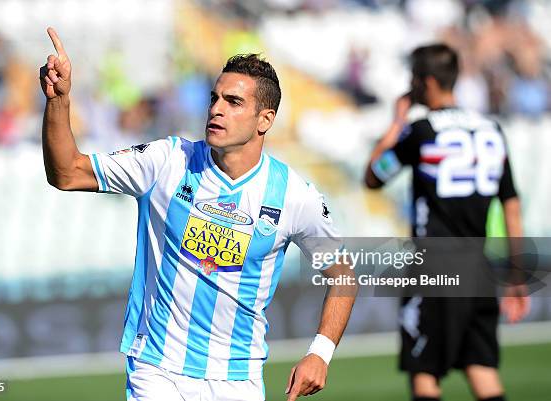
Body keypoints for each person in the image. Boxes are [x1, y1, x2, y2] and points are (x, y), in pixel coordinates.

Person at [39, 27, 354, 401]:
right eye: (214, 98)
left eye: (234, 102)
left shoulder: (293, 196)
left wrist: (320, 352)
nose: (217, 108)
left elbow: (344, 274)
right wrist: (59, 100)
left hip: (238, 380)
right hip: (157, 370)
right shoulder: (168, 161)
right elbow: (67, 173)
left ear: (264, 120)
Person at [364, 44, 530, 401]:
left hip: (434, 266)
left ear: (424, 82)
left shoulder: (422, 131)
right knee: (482, 369)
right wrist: (517, 275)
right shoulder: (491, 129)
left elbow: (374, 177)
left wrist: (396, 122)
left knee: (424, 372)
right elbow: (511, 205)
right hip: (479, 268)